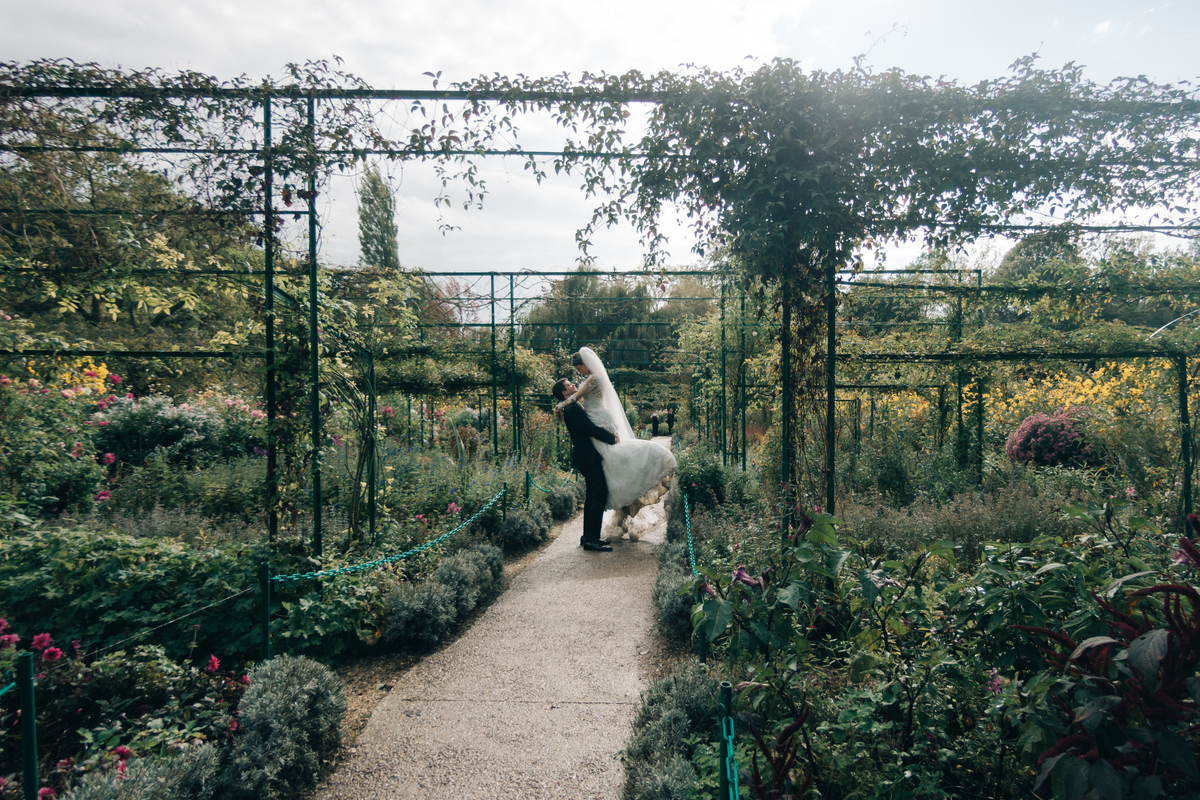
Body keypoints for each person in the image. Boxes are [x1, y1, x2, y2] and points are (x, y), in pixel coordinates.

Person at [556, 347, 677, 524]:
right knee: (610, 459)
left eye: (578, 368)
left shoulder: (594, 378)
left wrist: (559, 405)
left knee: (612, 456)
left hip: (598, 419)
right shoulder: (592, 379)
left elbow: (575, 398)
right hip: (598, 418)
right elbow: (579, 399)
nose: (578, 373)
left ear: (584, 364)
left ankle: (639, 471)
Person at [552, 376, 618, 551]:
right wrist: (611, 438)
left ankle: (588, 537)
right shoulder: (572, 409)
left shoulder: (573, 406)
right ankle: (591, 540)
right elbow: (590, 428)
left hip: (586, 457)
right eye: (568, 385)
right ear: (564, 392)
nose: (573, 385)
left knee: (592, 497)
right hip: (587, 457)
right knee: (598, 495)